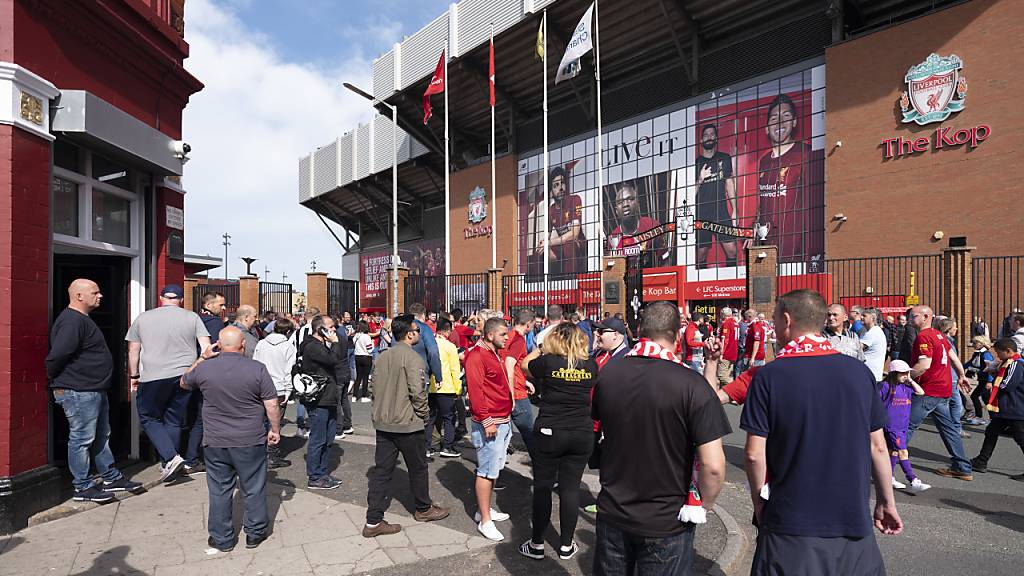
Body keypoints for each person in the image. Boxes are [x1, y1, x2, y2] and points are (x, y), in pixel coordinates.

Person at [741, 289, 902, 574]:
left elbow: (755, 455)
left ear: (787, 320)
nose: (773, 328)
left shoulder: (769, 376)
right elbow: (878, 446)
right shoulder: (859, 373)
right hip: (853, 525)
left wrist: (759, 505)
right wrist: (885, 502)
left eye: (775, 319)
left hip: (790, 526)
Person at [591, 301, 729, 575]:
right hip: (667, 520)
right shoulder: (690, 384)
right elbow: (713, 465)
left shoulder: (608, 374)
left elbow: (596, 432)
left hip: (613, 511)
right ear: (678, 336)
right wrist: (705, 504)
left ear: (640, 330)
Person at [181, 326, 280, 552]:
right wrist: (274, 429)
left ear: (218, 344)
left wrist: (201, 358)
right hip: (249, 438)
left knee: (219, 490)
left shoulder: (205, 368)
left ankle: (221, 538)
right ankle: (254, 533)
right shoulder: (257, 368)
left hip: (215, 440)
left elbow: (183, 382)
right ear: (243, 344)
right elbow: (271, 403)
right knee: (253, 487)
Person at [46, 279, 143, 503]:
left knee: (101, 435)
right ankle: (82, 487)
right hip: (79, 391)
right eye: (95, 292)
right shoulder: (72, 321)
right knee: (82, 438)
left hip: (93, 390)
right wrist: (57, 379)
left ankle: (110, 477)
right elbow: (57, 355)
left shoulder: (82, 319)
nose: (100, 296)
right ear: (79, 296)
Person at [363, 316, 450, 538]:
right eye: (417, 330)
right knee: (418, 468)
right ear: (410, 334)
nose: (419, 334)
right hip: (408, 424)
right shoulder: (413, 359)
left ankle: (373, 520)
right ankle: (423, 508)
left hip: (384, 422)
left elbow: (372, 387)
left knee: (382, 471)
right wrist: (424, 416)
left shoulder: (381, 357)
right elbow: (418, 393)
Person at [519, 323, 598, 561]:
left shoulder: (548, 362)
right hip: (581, 432)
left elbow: (524, 366)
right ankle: (566, 545)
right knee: (570, 488)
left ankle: (537, 544)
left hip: (550, 430)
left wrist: (540, 348)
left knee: (543, 486)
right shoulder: (591, 366)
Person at [126, 284, 211, 482]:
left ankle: (171, 458)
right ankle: (169, 465)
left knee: (148, 417)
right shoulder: (192, 317)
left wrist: (134, 375)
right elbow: (206, 349)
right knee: (173, 419)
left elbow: (133, 350)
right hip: (184, 375)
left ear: (161, 298)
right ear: (181, 300)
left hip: (152, 376)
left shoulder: (143, 318)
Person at [906, 306, 973, 480]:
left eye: (913, 316)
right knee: (949, 429)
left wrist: (904, 376)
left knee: (906, 426)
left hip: (929, 390)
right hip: (943, 390)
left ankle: (881, 463)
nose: (910, 319)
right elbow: (953, 357)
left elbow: (924, 365)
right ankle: (963, 467)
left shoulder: (924, 336)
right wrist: (961, 375)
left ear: (926, 317)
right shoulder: (939, 335)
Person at [465, 317, 514, 541]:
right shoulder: (476, 355)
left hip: (502, 420)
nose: (507, 337)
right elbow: (475, 392)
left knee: (493, 469)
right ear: (490, 334)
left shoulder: (493, 352)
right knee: (486, 471)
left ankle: (484, 510)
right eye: (503, 334)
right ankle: (485, 519)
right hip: (491, 422)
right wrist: (486, 420)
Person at [756, 94, 813, 262]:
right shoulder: (764, 160)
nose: (780, 121)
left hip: (793, 246)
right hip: (766, 244)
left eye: (786, 116)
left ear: (794, 122)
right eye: (774, 118)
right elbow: (763, 202)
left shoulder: (805, 154)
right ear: (767, 127)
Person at [299, 315, 344, 490]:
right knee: (318, 439)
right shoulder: (312, 346)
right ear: (321, 329)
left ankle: (323, 473)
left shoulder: (321, 345)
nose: (334, 330)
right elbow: (334, 359)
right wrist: (335, 342)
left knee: (328, 438)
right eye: (331, 327)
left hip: (329, 397)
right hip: (319, 400)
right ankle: (315, 476)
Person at [970, 338, 1024, 479]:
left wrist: (994, 382)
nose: (997, 356)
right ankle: (981, 461)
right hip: (1006, 409)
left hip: (1015, 408)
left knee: (1021, 438)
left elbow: (1007, 385)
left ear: (1009, 351)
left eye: (999, 353)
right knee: (991, 431)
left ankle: (981, 461)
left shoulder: (1015, 364)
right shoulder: (1007, 363)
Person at [880, 360, 930, 492]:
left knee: (894, 452)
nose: (905, 375)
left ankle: (889, 478)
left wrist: (911, 380)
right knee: (903, 451)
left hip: (903, 426)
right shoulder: (885, 386)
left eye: (907, 373)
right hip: (892, 427)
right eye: (902, 373)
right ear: (894, 373)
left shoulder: (906, 387)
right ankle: (913, 480)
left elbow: (921, 392)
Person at [252, 317, 296, 469]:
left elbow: (255, 364)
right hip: (278, 388)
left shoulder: (261, 343)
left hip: (260, 386)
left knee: (261, 421)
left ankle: (259, 452)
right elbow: (288, 371)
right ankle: (272, 454)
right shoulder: (288, 346)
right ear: (288, 331)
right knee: (275, 423)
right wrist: (289, 390)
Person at [695, 124, 739, 268]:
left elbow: (729, 184)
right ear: (701, 140)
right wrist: (700, 179)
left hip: (721, 213)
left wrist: (735, 211)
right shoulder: (696, 163)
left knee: (732, 251)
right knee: (700, 254)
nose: (709, 137)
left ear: (716, 138)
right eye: (706, 135)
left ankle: (731, 284)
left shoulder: (724, 158)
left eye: (712, 134)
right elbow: (689, 194)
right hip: (701, 214)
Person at [535, 166, 585, 275]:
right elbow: (547, 236)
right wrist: (544, 244)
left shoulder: (575, 200)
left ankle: (569, 281)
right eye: (555, 185)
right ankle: (540, 284)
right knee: (540, 250)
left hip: (578, 247)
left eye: (562, 183)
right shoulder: (551, 210)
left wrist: (550, 242)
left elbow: (574, 234)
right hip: (561, 249)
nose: (560, 188)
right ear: (551, 191)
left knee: (569, 244)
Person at [426, 318, 463, 458]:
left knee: (430, 418)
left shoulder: (429, 344)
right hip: (447, 387)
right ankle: (447, 447)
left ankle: (427, 447)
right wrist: (458, 390)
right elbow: (455, 369)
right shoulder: (450, 346)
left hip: (431, 387)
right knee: (449, 417)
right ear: (448, 331)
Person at [608, 182, 667, 269]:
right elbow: (612, 270)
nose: (625, 205)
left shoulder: (652, 226)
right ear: (616, 211)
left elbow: (666, 260)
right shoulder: (613, 238)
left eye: (630, 199)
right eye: (620, 202)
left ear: (637, 204)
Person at [504, 308, 537, 457]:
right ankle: (541, 469)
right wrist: (512, 394)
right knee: (530, 434)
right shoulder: (518, 339)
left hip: (507, 389)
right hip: (515, 393)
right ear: (528, 324)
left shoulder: (506, 336)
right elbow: (509, 365)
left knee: (501, 434)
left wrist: (524, 382)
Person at [407, 303, 443, 389]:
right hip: (421, 374)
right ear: (423, 315)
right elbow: (433, 352)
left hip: (402, 374)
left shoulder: (402, 327)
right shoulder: (425, 328)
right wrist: (438, 375)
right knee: (420, 401)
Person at [965, 335, 995, 425]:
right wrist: (958, 367)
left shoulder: (986, 354)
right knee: (986, 399)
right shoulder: (977, 353)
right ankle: (991, 418)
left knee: (976, 396)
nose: (973, 344)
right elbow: (969, 363)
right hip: (982, 379)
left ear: (982, 344)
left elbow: (990, 367)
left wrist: (989, 382)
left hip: (986, 380)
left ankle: (981, 417)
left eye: (975, 343)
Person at [861, 307, 887, 382]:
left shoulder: (873, 332)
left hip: (871, 374)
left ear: (873, 318)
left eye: (864, 316)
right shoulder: (867, 331)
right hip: (869, 373)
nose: (861, 317)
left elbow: (857, 348)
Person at [352, 322, 374, 402]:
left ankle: (354, 396)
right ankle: (364, 396)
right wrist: (372, 344)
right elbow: (370, 349)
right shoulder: (367, 337)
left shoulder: (356, 336)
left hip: (357, 356)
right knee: (365, 377)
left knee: (358, 377)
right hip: (366, 357)